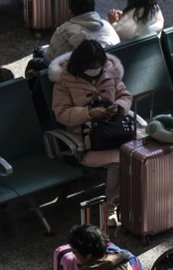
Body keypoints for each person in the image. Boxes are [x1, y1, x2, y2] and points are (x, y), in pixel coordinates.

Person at [50, 40, 132, 220]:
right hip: (86, 140)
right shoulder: (64, 81)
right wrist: (88, 113)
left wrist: (118, 107)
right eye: (91, 66)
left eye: (98, 66)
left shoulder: (110, 72)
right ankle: (112, 204)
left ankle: (135, 199)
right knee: (119, 162)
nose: (96, 69)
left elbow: (124, 96)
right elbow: (61, 113)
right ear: (81, 65)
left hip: (115, 130)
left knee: (141, 154)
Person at [45, 0, 120, 62]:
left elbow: (50, 59)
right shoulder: (107, 26)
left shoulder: (63, 31)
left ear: (70, 11)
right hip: (108, 72)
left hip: (75, 76)